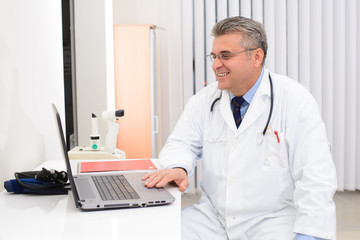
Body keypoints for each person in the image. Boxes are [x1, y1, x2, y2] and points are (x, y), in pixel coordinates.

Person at [142, 16, 337, 240]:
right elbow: (182, 142)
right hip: (212, 216)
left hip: (272, 219)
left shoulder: (294, 100)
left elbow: (315, 174)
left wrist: (309, 234)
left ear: (256, 57)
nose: (215, 64)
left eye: (225, 56)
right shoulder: (205, 100)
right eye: (214, 56)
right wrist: (178, 166)